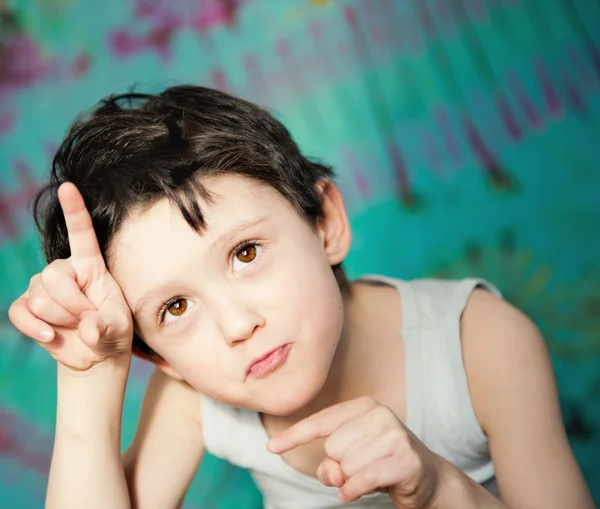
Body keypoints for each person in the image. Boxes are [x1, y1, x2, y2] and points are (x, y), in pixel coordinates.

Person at [8, 85, 595, 509]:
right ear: (159, 358)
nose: (237, 324)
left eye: (246, 253)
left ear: (325, 224)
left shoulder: (482, 343)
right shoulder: (191, 398)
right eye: (176, 308)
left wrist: (442, 489)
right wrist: (88, 381)